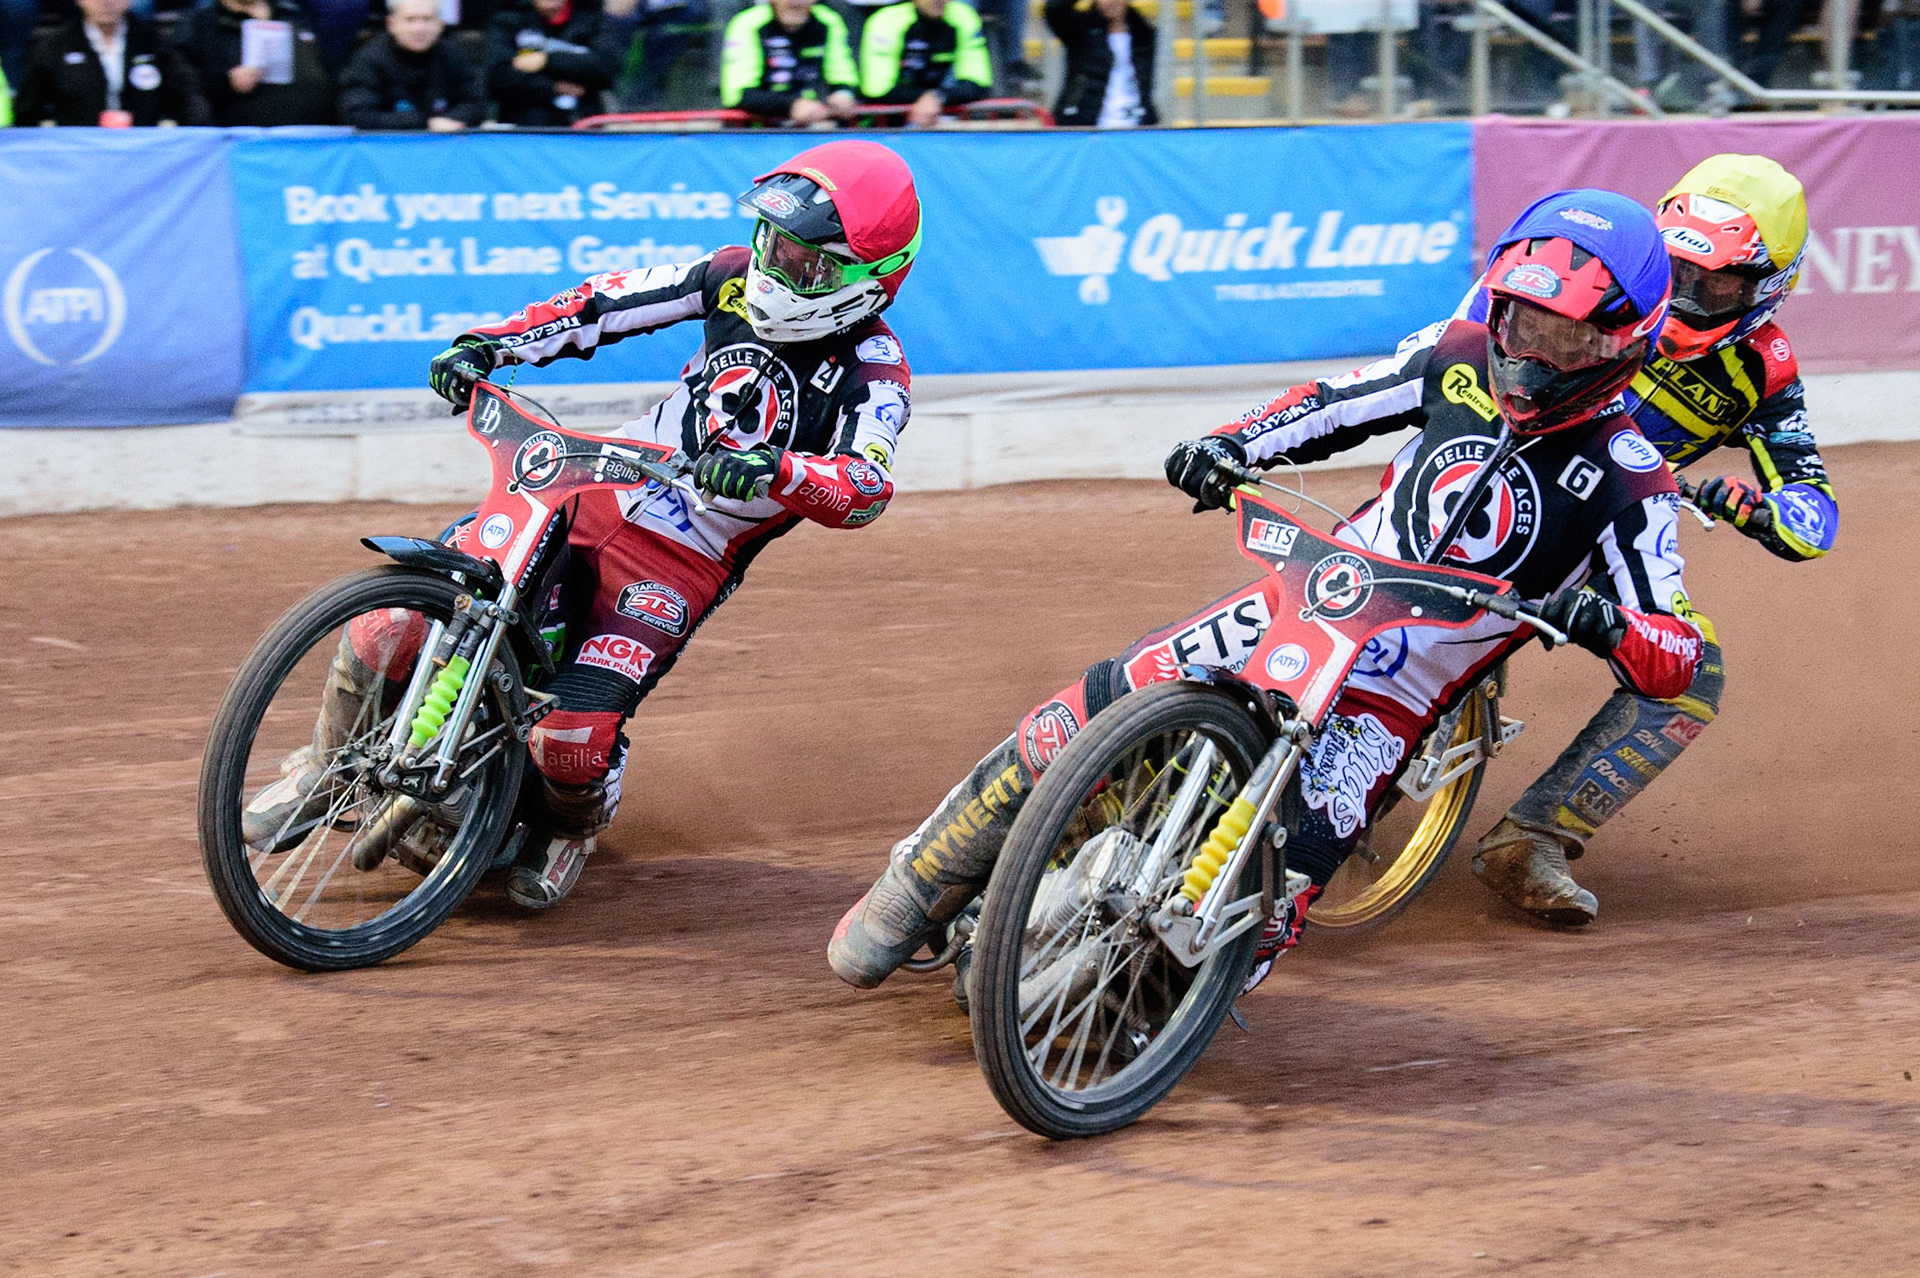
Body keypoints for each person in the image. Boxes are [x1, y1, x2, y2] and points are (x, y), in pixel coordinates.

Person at [829, 189, 1703, 994]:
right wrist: (1231, 443)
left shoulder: (1633, 481)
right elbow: (1329, 403)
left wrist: (1604, 622)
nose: (1528, 354)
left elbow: (1675, 653)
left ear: (1624, 340)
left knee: (1275, 899)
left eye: (1562, 340)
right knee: (1086, 707)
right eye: (1518, 320)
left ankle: (1146, 1007)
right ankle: (917, 879)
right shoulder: (1457, 355)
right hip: (1305, 601)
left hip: (1390, 698)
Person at [245, 141, 923, 911]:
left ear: (870, 279)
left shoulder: (876, 369)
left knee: (571, 742)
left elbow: (868, 484)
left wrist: (777, 472)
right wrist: (493, 342)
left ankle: (572, 824)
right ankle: (326, 767)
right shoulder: (730, 275)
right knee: (394, 620)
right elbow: (603, 303)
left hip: (680, 561)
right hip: (592, 485)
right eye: (775, 243)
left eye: (805, 264)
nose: (776, 268)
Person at [1466, 155, 1836, 924]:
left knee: (1691, 670)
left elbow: (1817, 513)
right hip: (1480, 481)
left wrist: (1762, 510)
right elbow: (1459, 344)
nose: (1690, 299)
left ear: (1769, 286)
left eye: (1718, 286)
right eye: (1679, 271)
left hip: (1608, 534)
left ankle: (1533, 835)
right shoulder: (1584, 272)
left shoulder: (1764, 370)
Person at [14, 0, 209, 125]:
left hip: (143, 159)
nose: (106, 2)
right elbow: (27, 111)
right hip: (78, 160)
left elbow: (189, 100)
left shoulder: (155, 45)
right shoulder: (53, 47)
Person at [171, 0, 333, 126]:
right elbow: (182, 87)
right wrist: (227, 83)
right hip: (241, 148)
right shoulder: (200, 25)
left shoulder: (296, 15)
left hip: (312, 143)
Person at [337, 0, 486, 130]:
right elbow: (359, 114)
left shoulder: (453, 55)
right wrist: (426, 123)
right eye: (410, 20)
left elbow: (475, 103)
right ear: (391, 24)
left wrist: (451, 120)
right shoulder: (369, 59)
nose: (419, 29)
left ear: (440, 24)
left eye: (427, 19)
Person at [485, 0, 623, 126]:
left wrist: (547, 61)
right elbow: (498, 77)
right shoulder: (507, 20)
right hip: (523, 129)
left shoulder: (592, 19)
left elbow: (606, 69)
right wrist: (554, 88)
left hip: (582, 128)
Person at [718, 0, 858, 123]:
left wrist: (844, 94)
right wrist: (791, 105)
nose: (796, 2)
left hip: (812, 126)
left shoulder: (829, 21)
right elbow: (737, 94)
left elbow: (843, 75)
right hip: (755, 130)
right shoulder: (748, 23)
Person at [858, 0, 991, 124]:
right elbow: (877, 89)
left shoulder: (964, 17)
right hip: (883, 124)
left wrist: (937, 97)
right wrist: (926, 98)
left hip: (937, 117)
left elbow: (978, 81)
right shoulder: (886, 21)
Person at [1044, 0, 1157, 126]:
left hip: (1136, 127)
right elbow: (1054, 9)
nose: (1110, 2)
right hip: (1086, 125)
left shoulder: (1144, 34)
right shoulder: (1080, 30)